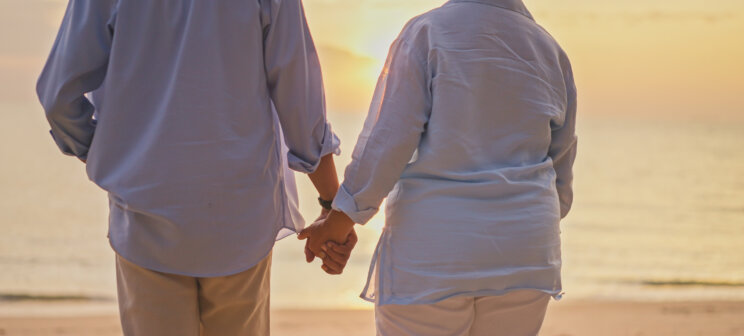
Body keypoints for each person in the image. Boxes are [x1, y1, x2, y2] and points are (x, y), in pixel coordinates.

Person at [36, 0, 354, 335]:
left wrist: (110, 155)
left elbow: (59, 98)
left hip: (146, 218)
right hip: (240, 220)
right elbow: (300, 100)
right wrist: (333, 205)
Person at [299, 0, 578, 334]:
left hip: (434, 255)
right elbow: (560, 173)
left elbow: (388, 143)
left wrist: (340, 220)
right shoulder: (552, 53)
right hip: (526, 255)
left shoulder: (427, 34)